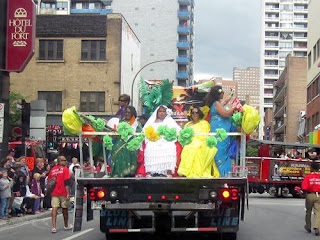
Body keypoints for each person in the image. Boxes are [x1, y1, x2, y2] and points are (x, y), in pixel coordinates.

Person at [178, 106, 219, 178]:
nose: (195, 114)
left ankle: (198, 172)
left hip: (201, 142)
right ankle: (186, 170)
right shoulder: (188, 125)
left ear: (199, 114)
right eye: (193, 112)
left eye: (196, 112)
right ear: (190, 114)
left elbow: (206, 135)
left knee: (197, 149)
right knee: (187, 148)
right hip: (190, 143)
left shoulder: (204, 123)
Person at [204, 85, 237, 176]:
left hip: (218, 130)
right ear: (218, 94)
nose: (223, 94)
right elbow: (225, 113)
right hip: (220, 132)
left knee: (221, 152)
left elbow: (225, 101)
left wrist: (231, 94)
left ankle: (219, 174)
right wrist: (234, 108)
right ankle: (222, 174)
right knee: (221, 153)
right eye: (222, 92)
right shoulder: (217, 104)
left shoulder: (216, 103)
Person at [142, 105, 181, 177]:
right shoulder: (152, 122)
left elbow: (177, 131)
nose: (162, 113)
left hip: (167, 141)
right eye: (160, 111)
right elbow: (145, 131)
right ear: (157, 112)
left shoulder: (170, 121)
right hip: (154, 141)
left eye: (163, 111)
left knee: (170, 147)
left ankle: (168, 172)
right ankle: (149, 172)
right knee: (150, 147)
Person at [111, 106, 142, 177]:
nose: (127, 114)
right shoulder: (121, 122)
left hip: (132, 143)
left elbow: (139, 135)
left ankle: (129, 172)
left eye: (129, 112)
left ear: (132, 113)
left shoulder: (136, 123)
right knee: (116, 149)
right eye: (126, 112)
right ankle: (117, 172)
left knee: (128, 149)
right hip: (120, 141)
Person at [47, 156, 72, 233]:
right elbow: (67, 182)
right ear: (59, 161)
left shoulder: (53, 169)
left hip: (54, 192)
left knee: (54, 208)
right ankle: (66, 225)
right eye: (64, 160)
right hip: (63, 192)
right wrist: (68, 193)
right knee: (64, 209)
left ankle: (54, 227)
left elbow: (49, 180)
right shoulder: (65, 169)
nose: (65, 161)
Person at [301, 162, 320, 235]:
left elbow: (304, 188)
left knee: (308, 211)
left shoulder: (308, 177)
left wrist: (304, 194)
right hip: (318, 196)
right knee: (318, 212)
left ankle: (308, 226)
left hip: (310, 195)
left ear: (311, 168)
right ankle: (317, 227)